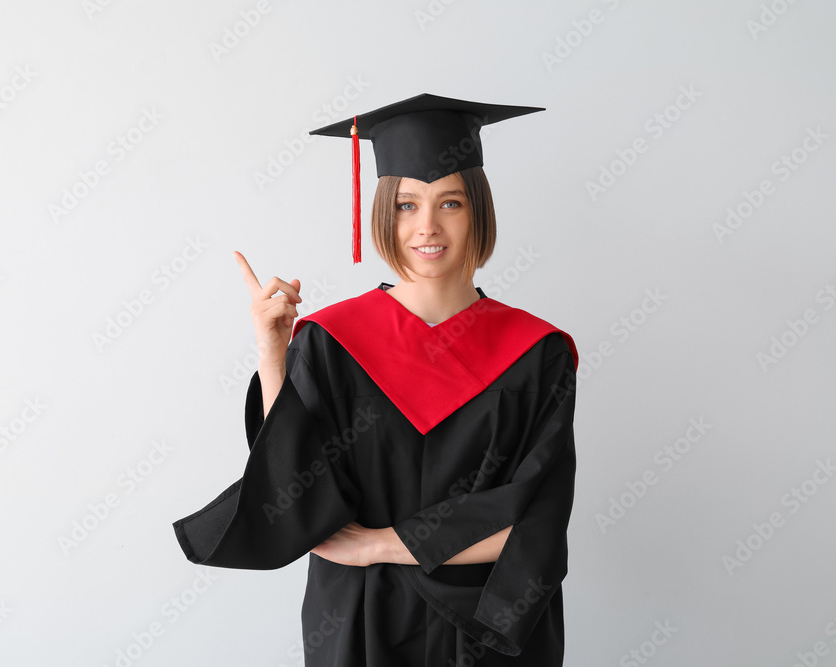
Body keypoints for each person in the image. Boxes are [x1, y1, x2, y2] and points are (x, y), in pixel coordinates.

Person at [173, 93, 579, 666]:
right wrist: (272, 353)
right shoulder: (332, 341)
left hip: (485, 625)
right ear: (383, 215)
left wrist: (380, 545)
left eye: (451, 203)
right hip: (358, 620)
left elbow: (540, 524)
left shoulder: (537, 354)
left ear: (478, 211)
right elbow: (292, 494)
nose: (428, 226)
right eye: (407, 205)